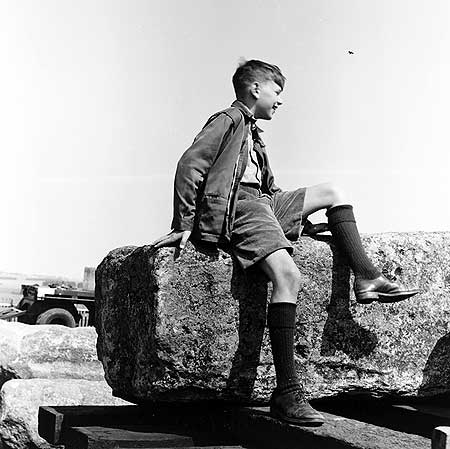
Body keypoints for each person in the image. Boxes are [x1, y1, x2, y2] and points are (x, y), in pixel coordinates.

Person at [152, 59, 419, 426]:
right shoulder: (227, 120)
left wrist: (299, 222)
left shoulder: (254, 132)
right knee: (288, 277)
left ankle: (367, 277)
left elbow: (267, 187)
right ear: (255, 89)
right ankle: (287, 392)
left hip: (264, 201)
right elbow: (189, 165)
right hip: (242, 208)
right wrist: (183, 222)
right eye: (277, 92)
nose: (280, 101)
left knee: (333, 191)